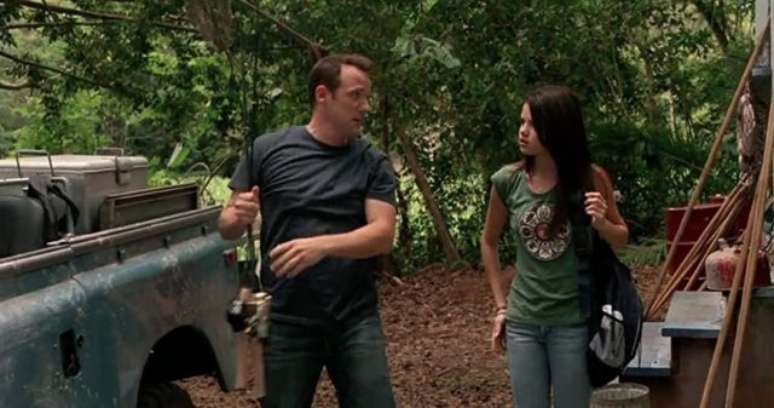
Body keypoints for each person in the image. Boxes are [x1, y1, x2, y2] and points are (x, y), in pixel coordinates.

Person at [218, 53, 397, 408]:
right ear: (322, 95)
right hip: (286, 319)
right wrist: (239, 214)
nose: (365, 106)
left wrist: (322, 246)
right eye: (356, 95)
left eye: (367, 97)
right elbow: (226, 227)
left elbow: (382, 234)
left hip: (354, 319)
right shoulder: (268, 150)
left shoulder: (371, 161)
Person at [480, 85, 628, 408]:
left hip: (572, 322)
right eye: (522, 122)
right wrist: (501, 306)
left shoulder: (591, 178)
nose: (523, 131)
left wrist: (601, 223)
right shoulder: (508, 181)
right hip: (523, 322)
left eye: (533, 124)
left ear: (558, 129)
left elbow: (622, 237)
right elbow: (489, 242)